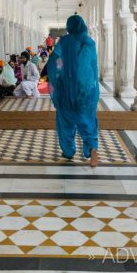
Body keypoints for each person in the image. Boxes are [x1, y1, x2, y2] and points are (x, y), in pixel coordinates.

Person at [47, 15, 100, 167]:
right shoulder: (90, 43)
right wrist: (93, 87)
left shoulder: (64, 42)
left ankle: (68, 151)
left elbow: (54, 62)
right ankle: (92, 149)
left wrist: (58, 76)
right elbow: (93, 67)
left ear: (70, 26)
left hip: (66, 90)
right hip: (87, 90)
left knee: (66, 120)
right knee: (88, 120)